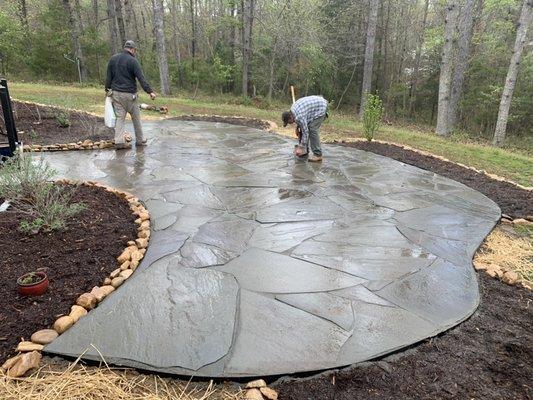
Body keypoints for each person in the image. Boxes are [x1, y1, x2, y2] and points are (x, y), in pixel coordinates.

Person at [105, 40, 157, 149]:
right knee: (136, 117)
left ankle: (119, 142)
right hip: (130, 95)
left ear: (125, 48)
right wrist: (150, 91)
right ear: (132, 49)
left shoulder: (113, 59)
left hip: (116, 94)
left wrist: (107, 90)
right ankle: (140, 141)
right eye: (135, 51)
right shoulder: (133, 61)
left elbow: (108, 77)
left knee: (120, 118)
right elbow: (141, 79)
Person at [282, 95, 328, 162]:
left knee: (312, 129)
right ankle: (305, 151)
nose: (290, 124)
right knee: (303, 129)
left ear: (291, 118)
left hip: (321, 107)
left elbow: (305, 132)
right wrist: (298, 127)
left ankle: (318, 155)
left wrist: (301, 147)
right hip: (313, 108)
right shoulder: (292, 112)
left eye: (289, 122)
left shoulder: (299, 117)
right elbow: (302, 124)